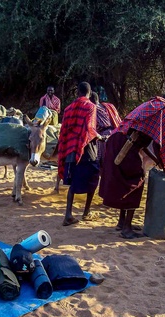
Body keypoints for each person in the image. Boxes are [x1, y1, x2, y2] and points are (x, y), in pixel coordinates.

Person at [99, 93, 165, 239]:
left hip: (117, 140)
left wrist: (158, 161)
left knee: (124, 182)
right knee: (136, 182)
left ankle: (122, 222)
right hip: (126, 145)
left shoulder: (151, 105)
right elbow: (164, 144)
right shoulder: (164, 110)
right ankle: (127, 229)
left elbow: (142, 138)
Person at [57, 82, 105, 226]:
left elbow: (63, 131)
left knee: (73, 181)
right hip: (86, 149)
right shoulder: (91, 106)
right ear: (89, 93)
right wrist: (100, 137)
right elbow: (89, 129)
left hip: (71, 150)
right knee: (93, 179)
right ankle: (86, 212)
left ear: (77, 93)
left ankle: (68, 215)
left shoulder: (68, 109)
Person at [89, 92, 121, 164]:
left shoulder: (93, 109)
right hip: (113, 133)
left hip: (103, 136)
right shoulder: (106, 106)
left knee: (102, 161)